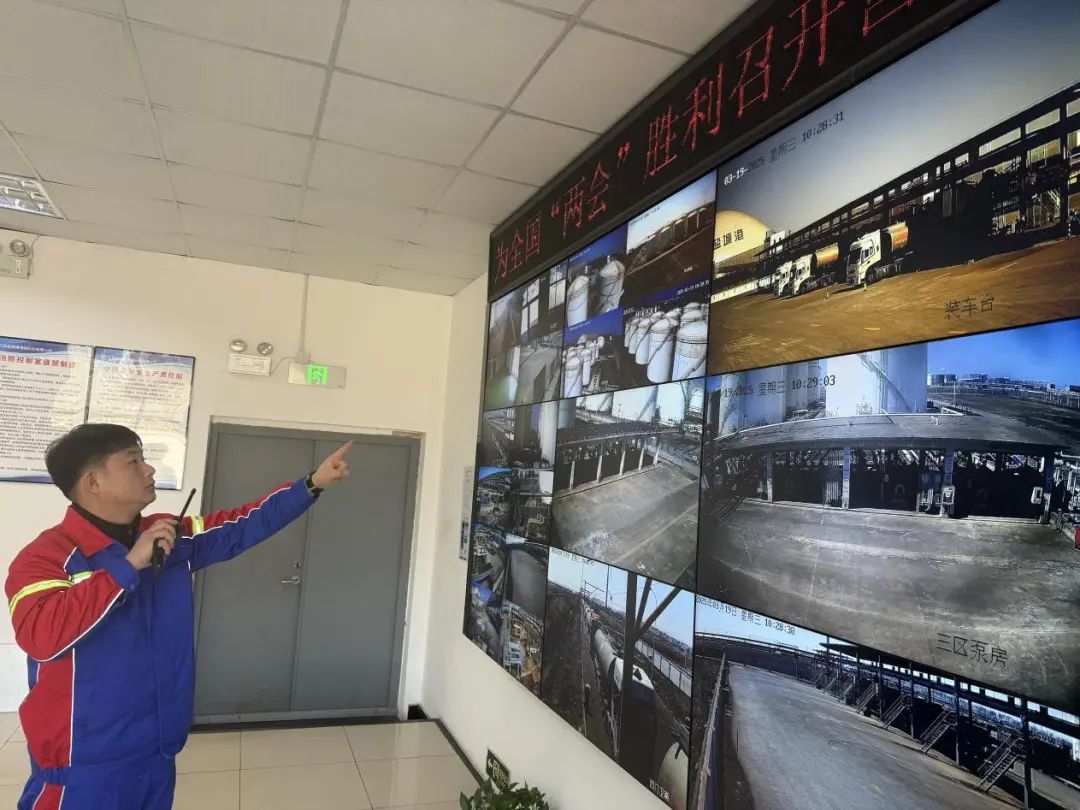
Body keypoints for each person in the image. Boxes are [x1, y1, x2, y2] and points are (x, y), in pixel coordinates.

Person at [5, 423, 353, 810]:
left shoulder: (168, 534)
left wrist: (311, 485)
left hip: (157, 752)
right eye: (133, 462)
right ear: (93, 482)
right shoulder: (45, 558)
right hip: (82, 768)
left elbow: (240, 525)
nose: (149, 469)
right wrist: (129, 564)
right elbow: (42, 636)